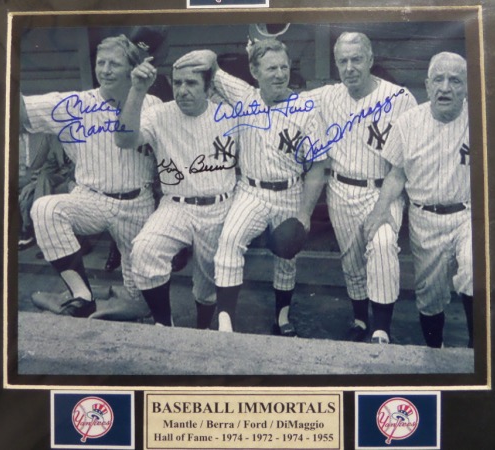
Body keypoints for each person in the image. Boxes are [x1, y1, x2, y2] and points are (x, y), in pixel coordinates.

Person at [174, 39, 324, 334]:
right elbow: (210, 62)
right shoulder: (243, 96)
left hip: (291, 190)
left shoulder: (306, 110)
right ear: (255, 71)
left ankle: (282, 318)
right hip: (251, 190)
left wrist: (305, 215)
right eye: (271, 68)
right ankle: (226, 320)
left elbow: (318, 167)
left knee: (286, 259)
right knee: (229, 241)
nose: (280, 74)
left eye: (284, 67)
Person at [20, 35, 162, 317]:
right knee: (46, 208)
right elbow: (22, 109)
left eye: (114, 64)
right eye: (101, 63)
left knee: (142, 295)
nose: (105, 70)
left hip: (137, 204)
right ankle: (81, 295)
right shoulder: (76, 104)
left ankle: (122, 305)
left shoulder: (153, 104)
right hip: (90, 199)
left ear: (133, 69)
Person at [299, 32, 417, 344]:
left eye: (356, 59)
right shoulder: (326, 96)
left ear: (370, 60)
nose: (350, 67)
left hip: (383, 190)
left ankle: (382, 329)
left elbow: (402, 165)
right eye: (343, 61)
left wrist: (380, 210)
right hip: (340, 189)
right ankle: (360, 320)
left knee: (381, 246)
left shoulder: (399, 97)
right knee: (351, 261)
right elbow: (283, 98)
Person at [114, 55, 237, 329]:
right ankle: (163, 325)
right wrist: (137, 90)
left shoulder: (229, 115)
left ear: (208, 88)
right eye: (178, 83)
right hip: (175, 204)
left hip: (218, 206)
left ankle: (202, 328)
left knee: (207, 285)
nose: (183, 90)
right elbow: (124, 139)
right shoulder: (159, 114)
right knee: (145, 250)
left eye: (192, 83)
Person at [363, 52, 473, 348]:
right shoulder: (408, 122)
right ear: (427, 84)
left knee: (475, 269)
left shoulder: (480, 119)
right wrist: (380, 210)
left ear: (466, 87)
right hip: (425, 218)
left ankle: (478, 350)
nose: (446, 87)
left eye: (455, 81)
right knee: (430, 298)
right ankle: (434, 353)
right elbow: (396, 174)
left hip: (467, 214)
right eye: (439, 79)